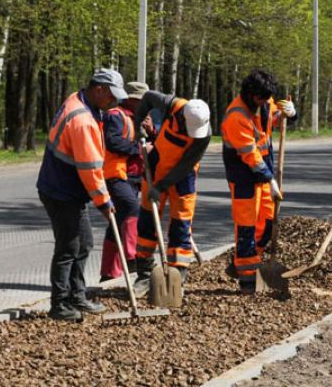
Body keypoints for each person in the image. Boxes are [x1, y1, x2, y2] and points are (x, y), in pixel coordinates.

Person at [36, 69, 126, 321]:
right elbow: (90, 170)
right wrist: (104, 203)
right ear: (98, 89)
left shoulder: (79, 100)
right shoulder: (83, 120)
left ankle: (77, 294)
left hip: (65, 189)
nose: (114, 102)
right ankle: (60, 304)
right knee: (69, 246)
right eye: (111, 96)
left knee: (83, 242)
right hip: (61, 191)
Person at [220, 69, 296, 294]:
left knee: (267, 224)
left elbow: (273, 119)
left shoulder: (263, 101)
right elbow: (250, 155)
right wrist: (270, 179)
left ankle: (244, 263)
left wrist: (288, 115)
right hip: (243, 177)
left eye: (267, 99)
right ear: (251, 94)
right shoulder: (236, 116)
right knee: (246, 226)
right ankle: (246, 278)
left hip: (264, 174)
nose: (265, 102)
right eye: (262, 98)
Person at [133, 90, 212, 291]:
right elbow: (147, 97)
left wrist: (161, 186)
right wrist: (137, 125)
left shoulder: (204, 134)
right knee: (147, 220)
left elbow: (185, 164)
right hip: (156, 168)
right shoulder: (173, 104)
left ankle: (178, 274)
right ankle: (144, 272)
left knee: (181, 223)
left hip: (183, 177)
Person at [98, 82, 149, 282]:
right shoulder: (115, 116)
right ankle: (131, 257)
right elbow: (113, 142)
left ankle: (109, 273)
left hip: (133, 176)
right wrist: (139, 148)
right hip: (115, 174)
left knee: (117, 222)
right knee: (131, 208)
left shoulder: (138, 118)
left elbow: (150, 140)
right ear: (132, 100)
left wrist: (149, 131)